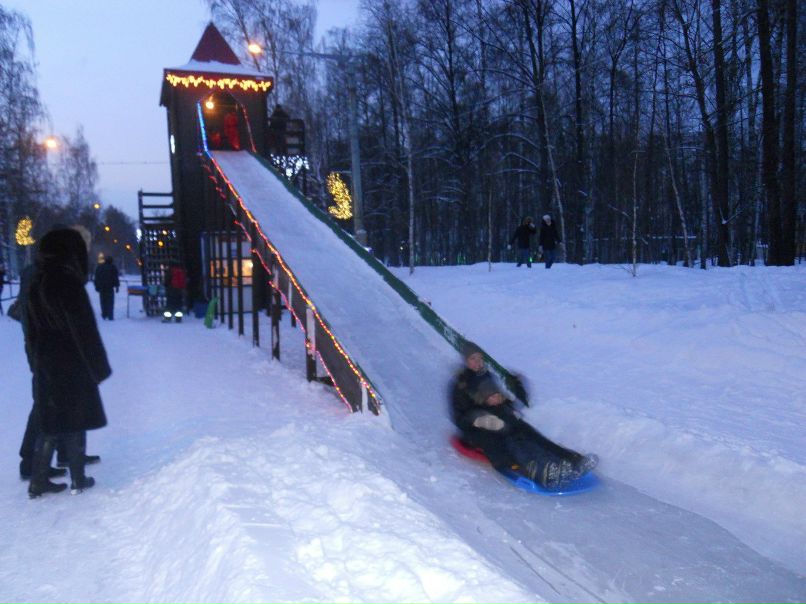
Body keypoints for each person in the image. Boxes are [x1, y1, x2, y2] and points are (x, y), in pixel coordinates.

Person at [25, 228, 112, 497]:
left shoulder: (37, 280)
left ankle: (38, 481)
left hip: (46, 361)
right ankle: (77, 479)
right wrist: (98, 366)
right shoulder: (67, 281)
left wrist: (35, 359)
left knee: (51, 422)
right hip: (71, 360)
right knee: (75, 418)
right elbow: (83, 328)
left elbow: (30, 329)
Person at [449, 342, 597, 489]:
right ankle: (540, 471)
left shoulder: (486, 375)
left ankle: (571, 460)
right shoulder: (460, 385)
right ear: (465, 360)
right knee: (512, 440)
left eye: (480, 358)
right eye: (473, 359)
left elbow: (498, 399)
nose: (478, 363)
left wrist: (513, 393)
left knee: (530, 433)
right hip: (477, 430)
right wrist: (478, 419)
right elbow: (460, 418)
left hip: (498, 417)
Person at [94, 256, 120, 320]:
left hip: (102, 288)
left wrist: (97, 286)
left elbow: (96, 278)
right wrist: (117, 286)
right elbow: (115, 278)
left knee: (103, 301)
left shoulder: (99, 267)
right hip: (110, 288)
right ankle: (110, 315)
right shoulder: (113, 267)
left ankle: (104, 314)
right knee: (110, 302)